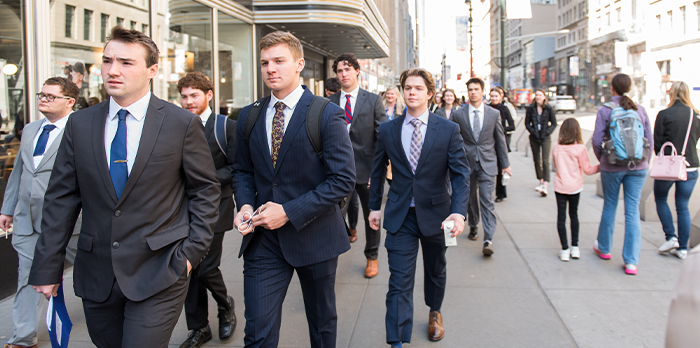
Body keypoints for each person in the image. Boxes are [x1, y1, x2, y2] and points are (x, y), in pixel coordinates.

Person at [28, 27, 221, 347]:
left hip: (160, 269)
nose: (113, 70)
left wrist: (190, 254)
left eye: (126, 63)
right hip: (97, 274)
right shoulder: (80, 123)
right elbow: (61, 198)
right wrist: (48, 267)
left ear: (152, 70)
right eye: (107, 61)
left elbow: (204, 191)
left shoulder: (181, 123)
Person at [232, 31, 355, 348]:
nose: (270, 68)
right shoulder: (249, 115)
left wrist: (288, 211)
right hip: (264, 241)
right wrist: (244, 205)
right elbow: (243, 171)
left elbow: (342, 180)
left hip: (315, 235)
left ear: (299, 64)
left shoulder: (326, 114)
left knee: (321, 325)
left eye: (279, 61)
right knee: (257, 332)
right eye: (264, 63)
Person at [367, 68, 470, 347]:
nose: (411, 92)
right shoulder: (388, 129)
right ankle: (398, 341)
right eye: (407, 88)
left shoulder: (447, 129)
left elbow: (461, 174)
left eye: (418, 88)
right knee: (399, 281)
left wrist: (458, 212)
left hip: (438, 216)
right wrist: (375, 207)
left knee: (436, 269)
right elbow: (377, 172)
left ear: (430, 93)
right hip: (401, 217)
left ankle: (435, 312)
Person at [0, 77, 78, 348]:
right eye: (41, 94)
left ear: (70, 102)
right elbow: (19, 173)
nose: (43, 99)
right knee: (26, 278)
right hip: (28, 221)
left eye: (50, 96)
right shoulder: (31, 129)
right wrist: (8, 208)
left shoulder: (80, 130)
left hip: (70, 221)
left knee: (94, 274)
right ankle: (23, 338)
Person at [176, 72, 238, 347]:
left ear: (209, 95)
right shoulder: (176, 125)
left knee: (207, 267)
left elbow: (237, 168)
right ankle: (199, 327)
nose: (188, 102)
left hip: (216, 207)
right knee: (187, 269)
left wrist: (204, 178)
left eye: (194, 96)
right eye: (184, 97)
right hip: (181, 210)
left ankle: (226, 306)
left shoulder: (225, 126)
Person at [329, 52, 386, 278]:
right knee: (332, 217)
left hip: (367, 170)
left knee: (371, 216)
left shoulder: (373, 100)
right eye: (340, 71)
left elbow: (382, 137)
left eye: (347, 70)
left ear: (356, 72)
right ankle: (330, 258)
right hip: (338, 172)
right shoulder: (329, 102)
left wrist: (377, 171)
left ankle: (372, 257)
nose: (343, 74)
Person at [592, 73, 653, 275]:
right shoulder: (640, 110)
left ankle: (604, 248)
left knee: (610, 204)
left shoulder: (605, 110)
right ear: (630, 88)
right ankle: (631, 262)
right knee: (632, 211)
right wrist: (644, 161)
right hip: (638, 167)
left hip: (612, 166)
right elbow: (649, 141)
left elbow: (596, 140)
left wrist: (604, 158)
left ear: (612, 89)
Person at [452, 77, 511, 256]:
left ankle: (488, 239)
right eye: (470, 89)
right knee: (470, 200)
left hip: (488, 163)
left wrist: (505, 164)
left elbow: (500, 140)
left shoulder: (493, 114)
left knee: (487, 200)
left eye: (476, 89)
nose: (473, 92)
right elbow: (454, 141)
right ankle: (473, 225)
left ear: (482, 91)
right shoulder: (458, 114)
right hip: (466, 164)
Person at [654, 81, 700, 260]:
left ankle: (670, 236)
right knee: (682, 206)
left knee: (660, 198)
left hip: (669, 165)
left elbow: (658, 143)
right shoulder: (696, 115)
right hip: (691, 166)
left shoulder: (664, 114)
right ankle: (682, 248)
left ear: (671, 94)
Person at [551, 118, 599, 261]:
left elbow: (555, 165)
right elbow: (588, 170)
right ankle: (575, 248)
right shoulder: (580, 149)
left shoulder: (555, 146)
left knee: (561, 218)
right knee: (574, 215)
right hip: (575, 187)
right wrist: (602, 166)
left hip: (560, 186)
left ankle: (564, 250)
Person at [525, 89, 557, 197]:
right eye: (536, 95)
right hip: (534, 137)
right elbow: (527, 123)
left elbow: (554, 123)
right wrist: (533, 131)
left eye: (540, 95)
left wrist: (547, 132)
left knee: (545, 160)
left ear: (544, 97)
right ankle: (540, 179)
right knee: (536, 160)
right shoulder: (531, 108)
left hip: (545, 137)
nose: (538, 97)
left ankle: (546, 184)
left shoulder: (548, 108)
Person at [488, 88, 515, 202]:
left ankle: (501, 193)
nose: (494, 98)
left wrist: (500, 130)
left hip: (499, 141)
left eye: (496, 96)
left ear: (500, 97)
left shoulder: (504, 109)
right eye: (492, 96)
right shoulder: (486, 108)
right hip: (488, 141)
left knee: (501, 168)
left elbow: (512, 125)